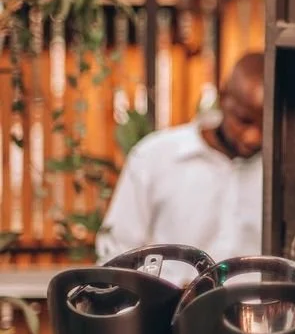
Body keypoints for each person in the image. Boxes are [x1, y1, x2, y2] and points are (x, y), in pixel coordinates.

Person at [96, 52, 265, 282]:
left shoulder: (284, 173)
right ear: (223, 96)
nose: (253, 137)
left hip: (254, 306)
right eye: (244, 120)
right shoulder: (155, 157)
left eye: (265, 124)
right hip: (165, 305)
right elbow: (115, 253)